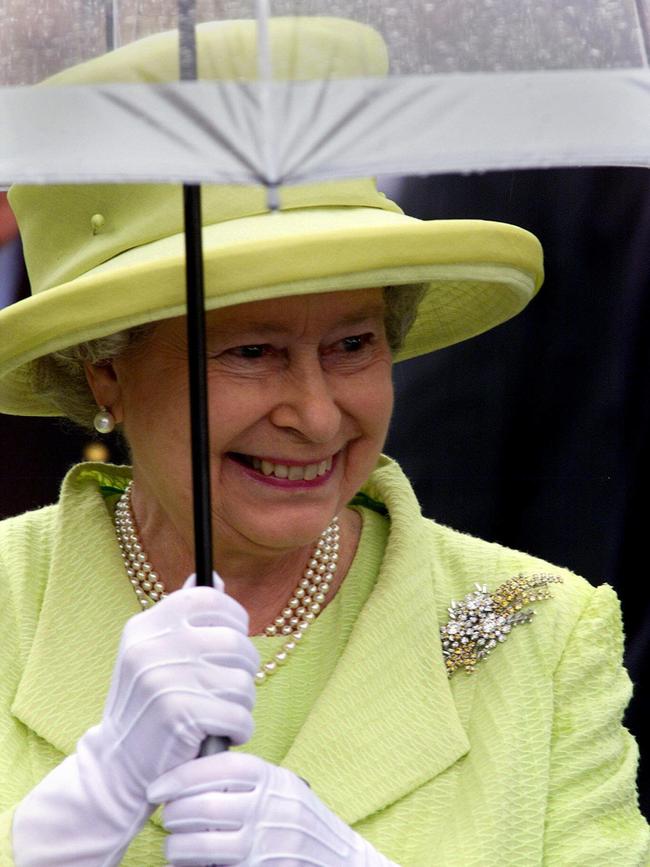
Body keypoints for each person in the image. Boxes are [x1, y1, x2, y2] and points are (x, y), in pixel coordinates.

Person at [0, 18, 648, 867]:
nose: (314, 413)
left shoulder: (541, 630)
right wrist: (79, 822)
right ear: (105, 372)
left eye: (352, 344)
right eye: (251, 352)